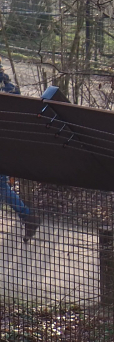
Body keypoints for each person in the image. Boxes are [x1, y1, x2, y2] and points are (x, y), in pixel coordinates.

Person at [0, 66, 39, 241]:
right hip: (9, 143)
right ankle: (28, 217)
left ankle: (28, 217)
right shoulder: (11, 89)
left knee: (1, 187)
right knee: (1, 186)